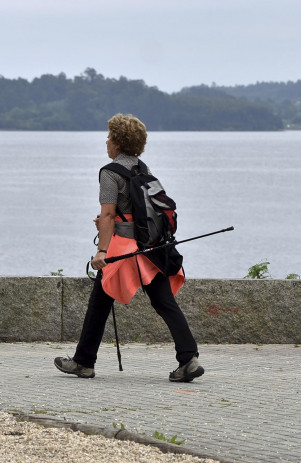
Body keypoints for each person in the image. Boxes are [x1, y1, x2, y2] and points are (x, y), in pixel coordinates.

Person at [55, 113, 204, 382]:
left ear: (118, 143)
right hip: (152, 248)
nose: (106, 142)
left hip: (124, 249)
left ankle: (83, 363)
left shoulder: (110, 173)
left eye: (110, 137)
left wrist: (102, 251)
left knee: (99, 302)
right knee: (164, 302)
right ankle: (188, 359)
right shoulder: (144, 170)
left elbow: (110, 216)